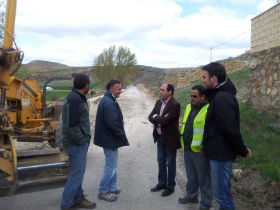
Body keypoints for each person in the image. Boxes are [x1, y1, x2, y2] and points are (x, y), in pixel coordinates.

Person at [201, 62, 252, 210]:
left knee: (222, 195)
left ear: (214, 78)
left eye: (204, 77)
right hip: (217, 153)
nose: (202, 80)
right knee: (221, 194)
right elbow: (216, 128)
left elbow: (230, 130)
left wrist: (242, 150)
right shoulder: (218, 95)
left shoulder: (222, 98)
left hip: (222, 156)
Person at [61, 74, 96, 210]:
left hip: (78, 143)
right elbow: (72, 126)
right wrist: (82, 140)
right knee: (76, 175)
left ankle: (78, 198)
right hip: (76, 144)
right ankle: (66, 205)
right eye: (89, 84)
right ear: (86, 85)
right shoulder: (74, 99)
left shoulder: (78, 97)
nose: (89, 86)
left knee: (78, 173)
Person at [94, 79, 129, 202]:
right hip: (110, 140)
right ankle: (103, 191)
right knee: (110, 166)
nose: (121, 91)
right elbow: (112, 124)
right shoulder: (109, 102)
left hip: (109, 139)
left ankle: (113, 187)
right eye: (119, 89)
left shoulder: (108, 99)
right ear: (111, 89)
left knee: (112, 164)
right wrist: (121, 135)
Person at [178, 85, 213, 210]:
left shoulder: (209, 109)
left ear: (203, 97)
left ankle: (206, 203)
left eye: (194, 96)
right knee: (191, 175)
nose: (191, 98)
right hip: (187, 148)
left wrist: (206, 147)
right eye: (191, 96)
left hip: (200, 151)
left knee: (204, 178)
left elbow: (211, 132)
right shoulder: (189, 107)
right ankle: (191, 196)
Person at [148, 83, 181, 197]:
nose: (160, 91)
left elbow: (166, 122)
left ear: (170, 92)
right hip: (160, 137)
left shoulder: (175, 105)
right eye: (160, 89)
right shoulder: (158, 102)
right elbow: (150, 117)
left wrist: (157, 117)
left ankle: (170, 187)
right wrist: (160, 118)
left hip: (170, 139)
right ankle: (161, 183)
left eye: (163, 90)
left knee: (170, 163)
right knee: (161, 162)